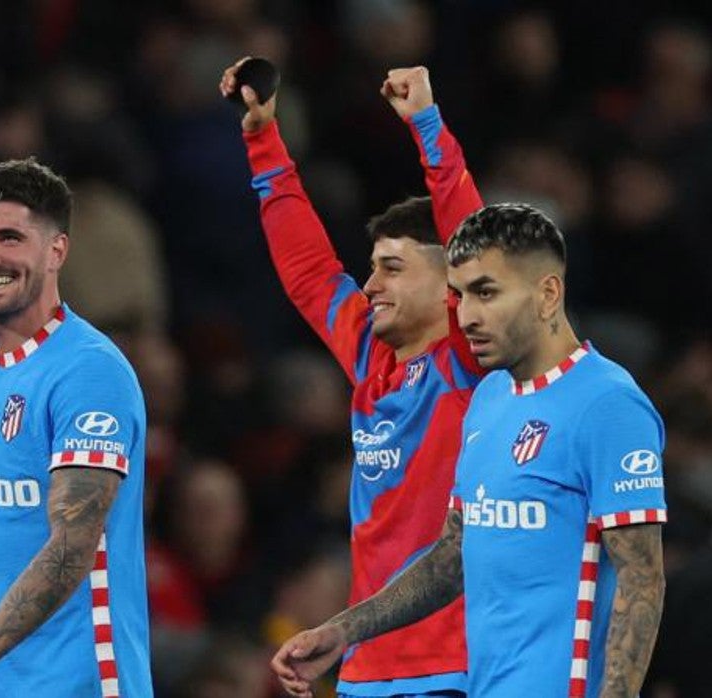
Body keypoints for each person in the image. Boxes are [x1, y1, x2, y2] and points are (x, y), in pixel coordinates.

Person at [272, 203, 667, 698]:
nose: (468, 315)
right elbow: (451, 557)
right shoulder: (488, 400)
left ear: (547, 294)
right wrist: (345, 630)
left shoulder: (608, 404)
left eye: (486, 292)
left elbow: (642, 578)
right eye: (459, 295)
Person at [221, 60, 483, 695]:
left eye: (393, 268)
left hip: (456, 665)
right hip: (365, 666)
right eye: (372, 268)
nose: (371, 285)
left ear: (450, 278)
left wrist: (426, 124)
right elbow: (310, 269)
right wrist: (263, 138)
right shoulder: (371, 355)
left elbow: (477, 245)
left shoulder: (469, 357)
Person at [0, 159, 151, 697]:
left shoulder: (90, 370)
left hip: (80, 683)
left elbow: (72, 546)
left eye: (10, 237)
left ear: (56, 250)